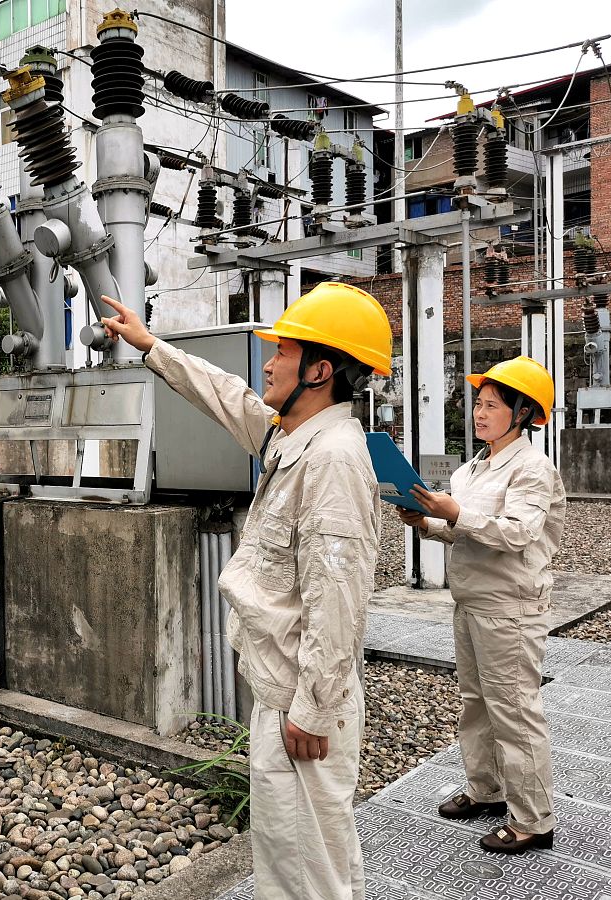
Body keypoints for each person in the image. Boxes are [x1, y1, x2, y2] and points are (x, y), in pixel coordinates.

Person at [100, 282, 391, 900]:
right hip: (282, 691)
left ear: (319, 369)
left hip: (301, 701)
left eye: (280, 352)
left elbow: (338, 595)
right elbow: (226, 396)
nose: (266, 363)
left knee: (309, 872)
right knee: (294, 858)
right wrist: (151, 344)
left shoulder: (333, 459)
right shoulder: (295, 437)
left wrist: (312, 707)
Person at [400, 356, 566, 854]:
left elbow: (516, 534)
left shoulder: (533, 469)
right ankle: (486, 789)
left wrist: (454, 511)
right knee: (476, 704)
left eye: (491, 405)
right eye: (477, 403)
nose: (479, 412)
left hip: (510, 608)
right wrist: (427, 522)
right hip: (471, 602)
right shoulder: (476, 466)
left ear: (522, 412)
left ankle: (533, 819)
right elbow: (466, 530)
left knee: (514, 710)